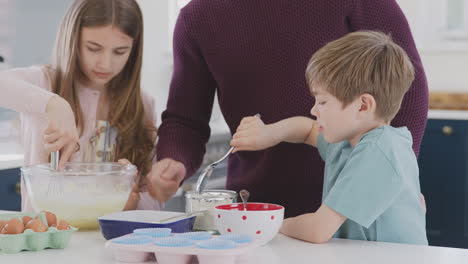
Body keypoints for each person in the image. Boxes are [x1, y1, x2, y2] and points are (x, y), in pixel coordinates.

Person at [150, 0, 428, 218]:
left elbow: (407, 87)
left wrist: (394, 174)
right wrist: (174, 160)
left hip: (359, 203)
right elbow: (185, 120)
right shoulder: (198, 16)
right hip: (255, 206)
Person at [231, 31, 428, 245]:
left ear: (363, 105)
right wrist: (270, 133)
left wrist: (271, 224)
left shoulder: (379, 150)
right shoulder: (348, 140)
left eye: (322, 102)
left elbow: (318, 230)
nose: (314, 110)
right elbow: (307, 130)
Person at [0, 0, 160, 212]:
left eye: (119, 52)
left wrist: (133, 202)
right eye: (93, 48)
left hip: (110, 241)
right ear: (72, 39)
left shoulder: (142, 104)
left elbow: (152, 200)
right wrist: (54, 104)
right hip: (50, 240)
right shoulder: (44, 83)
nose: (105, 64)